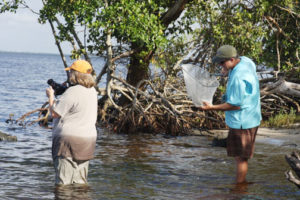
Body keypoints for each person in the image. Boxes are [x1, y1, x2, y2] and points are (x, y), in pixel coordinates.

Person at [200, 45, 261, 184]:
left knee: (240, 158)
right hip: (253, 115)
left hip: (242, 122)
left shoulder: (237, 78)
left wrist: (211, 107)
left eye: (222, 63)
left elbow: (235, 105)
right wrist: (227, 70)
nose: (220, 65)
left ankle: (239, 190)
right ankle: (242, 186)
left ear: (232, 59)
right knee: (242, 155)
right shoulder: (246, 61)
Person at [46, 60, 98, 185]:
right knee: (80, 182)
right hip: (88, 141)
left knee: (63, 183)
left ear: (76, 74)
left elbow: (54, 113)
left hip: (68, 142)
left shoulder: (72, 92)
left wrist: (51, 97)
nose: (69, 74)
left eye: (70, 72)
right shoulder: (92, 92)